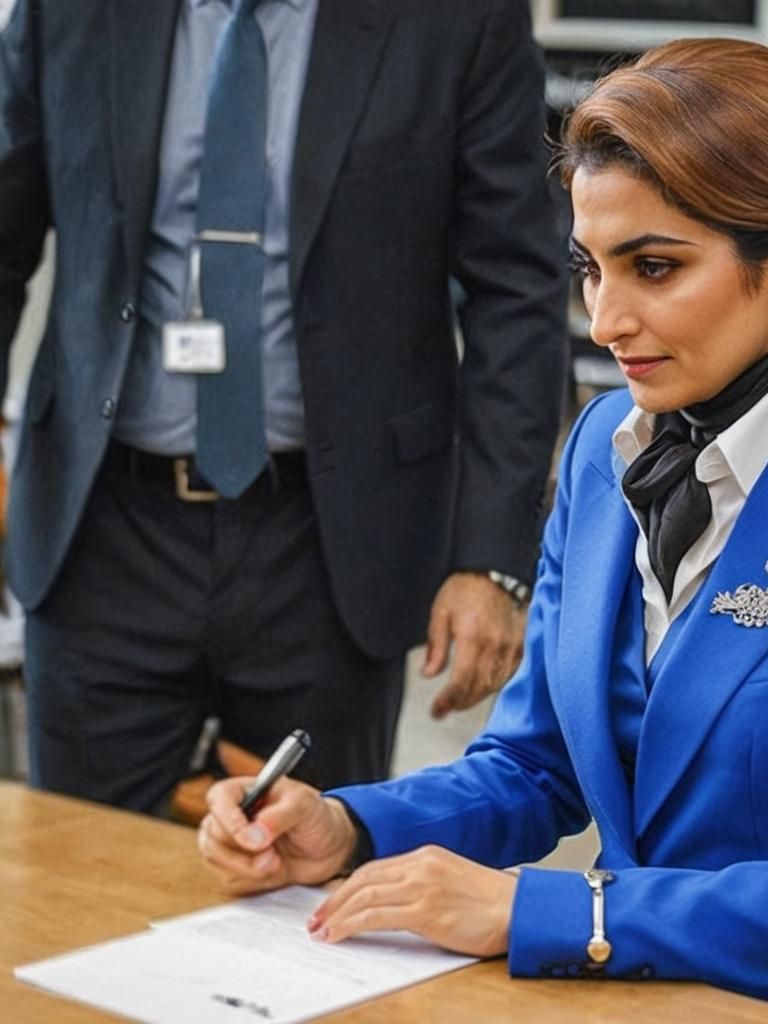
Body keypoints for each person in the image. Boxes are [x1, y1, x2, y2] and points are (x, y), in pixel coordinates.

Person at [198, 38, 768, 1024]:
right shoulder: (604, 444)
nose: (604, 320)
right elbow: (533, 764)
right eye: (589, 269)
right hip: (639, 1002)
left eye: (654, 268)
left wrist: (544, 910)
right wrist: (346, 826)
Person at [0, 0, 567, 812]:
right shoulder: (67, 12)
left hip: (331, 544)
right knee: (85, 865)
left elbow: (516, 291)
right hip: (103, 534)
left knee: (308, 865)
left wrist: (491, 558)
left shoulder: (456, 20)